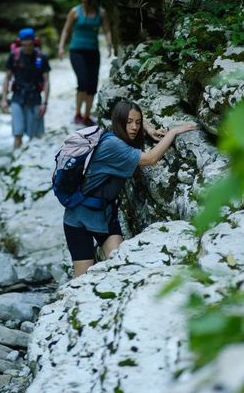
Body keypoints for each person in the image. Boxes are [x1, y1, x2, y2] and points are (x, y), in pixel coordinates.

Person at [63, 99, 197, 277]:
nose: (134, 127)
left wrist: (148, 129)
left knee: (120, 268)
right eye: (128, 122)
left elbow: (136, 122)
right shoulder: (114, 146)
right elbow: (150, 159)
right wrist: (171, 133)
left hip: (104, 215)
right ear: (119, 122)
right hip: (79, 219)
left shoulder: (115, 136)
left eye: (137, 122)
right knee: (82, 280)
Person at [58, 0, 112, 126]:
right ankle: (78, 114)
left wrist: (109, 44)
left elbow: (106, 29)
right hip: (77, 51)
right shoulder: (75, 12)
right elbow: (66, 30)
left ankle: (87, 116)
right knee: (83, 81)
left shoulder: (101, 13)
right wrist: (61, 47)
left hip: (93, 51)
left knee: (92, 84)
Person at [1, 28, 51, 149]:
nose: (28, 47)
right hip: (18, 97)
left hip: (35, 98)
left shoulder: (41, 57)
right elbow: (7, 78)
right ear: (21, 43)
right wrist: (3, 99)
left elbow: (46, 81)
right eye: (25, 44)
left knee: (35, 135)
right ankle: (15, 160)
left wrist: (45, 103)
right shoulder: (14, 56)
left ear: (34, 42)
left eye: (30, 44)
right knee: (18, 133)